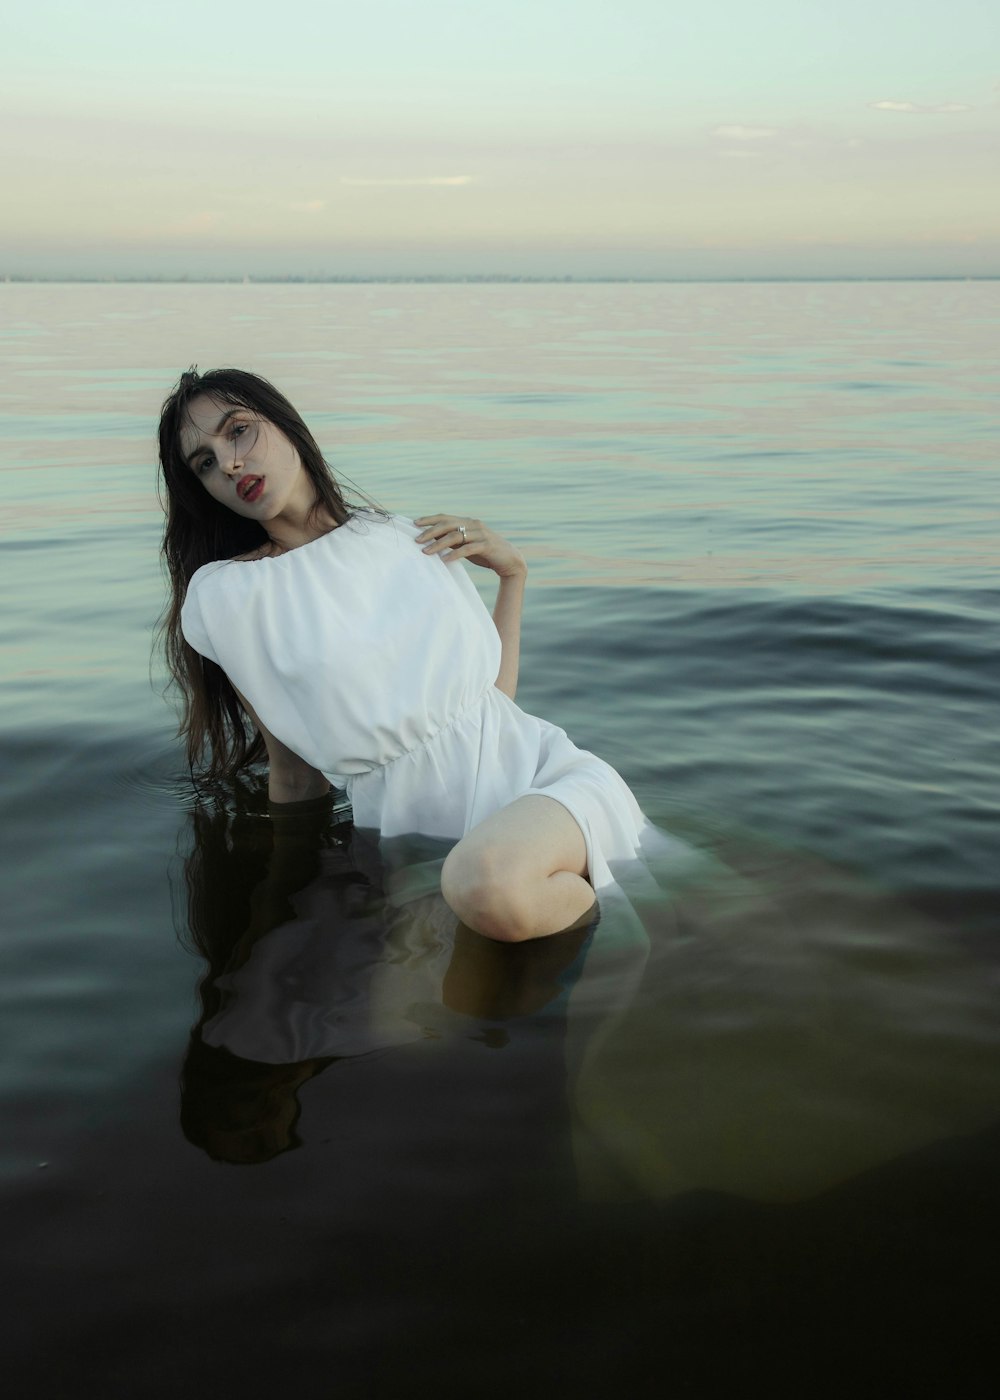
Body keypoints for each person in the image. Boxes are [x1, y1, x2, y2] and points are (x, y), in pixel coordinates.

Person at [158, 367, 669, 943]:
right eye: (204, 462)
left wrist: (513, 575)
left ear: (287, 425)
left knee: (486, 887)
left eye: (239, 431)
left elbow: (484, 707)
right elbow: (296, 776)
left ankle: (625, 938)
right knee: (404, 1029)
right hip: (421, 852)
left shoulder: (403, 537)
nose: (228, 463)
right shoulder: (230, 598)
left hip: (543, 792)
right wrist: (281, 906)